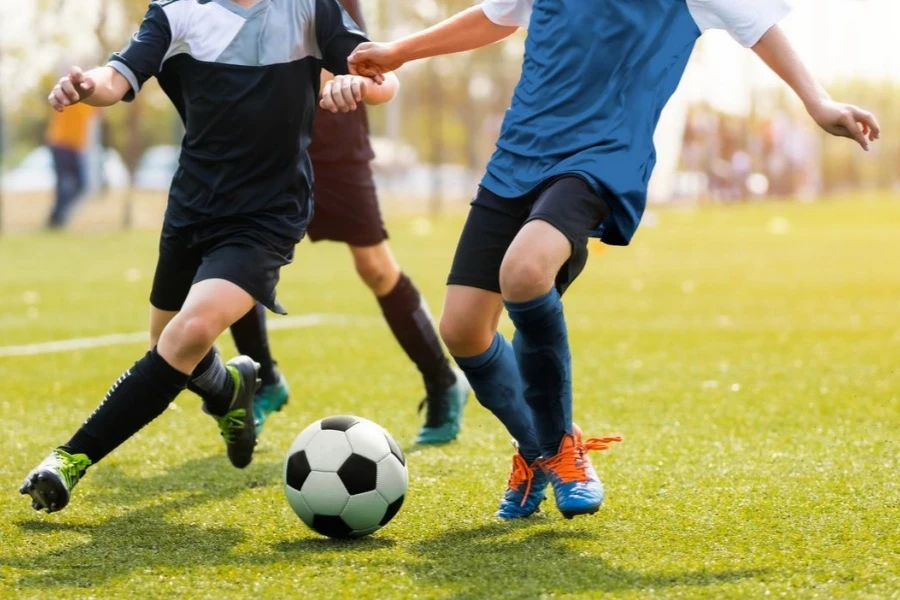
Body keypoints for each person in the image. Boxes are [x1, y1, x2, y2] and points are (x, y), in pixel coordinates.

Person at [348, 0, 880, 520]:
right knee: (463, 330)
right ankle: (540, 449)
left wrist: (818, 102)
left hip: (600, 158)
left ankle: (562, 454)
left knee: (526, 272)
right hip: (518, 154)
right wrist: (400, 51)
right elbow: (496, 16)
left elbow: (761, 27)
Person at [20, 0, 398, 514]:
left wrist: (357, 83)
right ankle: (229, 390)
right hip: (192, 207)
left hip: (269, 213)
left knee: (188, 334)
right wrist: (88, 86)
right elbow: (118, 76)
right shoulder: (176, 11)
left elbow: (383, 79)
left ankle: (68, 459)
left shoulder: (309, 7)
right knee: (168, 344)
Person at [227, 0, 469, 446]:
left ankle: (442, 379)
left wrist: (346, 78)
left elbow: (356, 53)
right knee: (238, 258)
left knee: (374, 267)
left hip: (335, 134)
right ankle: (265, 379)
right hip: (265, 138)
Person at [45, 97, 96, 229]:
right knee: (64, 184)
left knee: (81, 185)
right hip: (61, 143)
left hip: (76, 147)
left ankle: (58, 216)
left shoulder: (93, 97)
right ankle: (57, 219)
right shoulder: (71, 94)